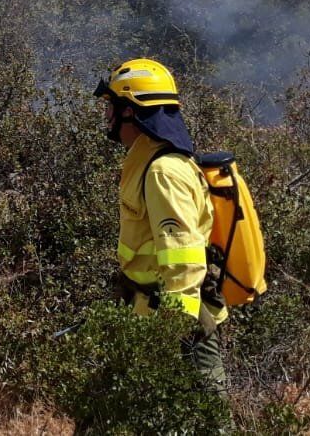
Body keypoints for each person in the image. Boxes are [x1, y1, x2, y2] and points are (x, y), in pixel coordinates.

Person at [94, 58, 229, 403]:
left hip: (178, 328)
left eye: (111, 105)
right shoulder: (148, 162)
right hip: (147, 313)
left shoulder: (163, 173)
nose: (106, 115)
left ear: (131, 111)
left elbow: (184, 262)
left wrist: (171, 333)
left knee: (206, 423)